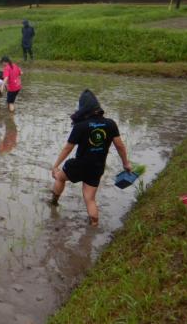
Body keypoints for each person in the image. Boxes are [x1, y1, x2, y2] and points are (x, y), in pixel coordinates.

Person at [50, 90, 131, 226]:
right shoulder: (110, 124)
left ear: (83, 108)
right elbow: (120, 146)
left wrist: (56, 165)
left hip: (80, 165)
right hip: (97, 167)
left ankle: (53, 202)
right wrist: (126, 164)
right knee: (90, 199)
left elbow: (68, 148)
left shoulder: (80, 126)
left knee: (60, 177)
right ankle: (93, 227)